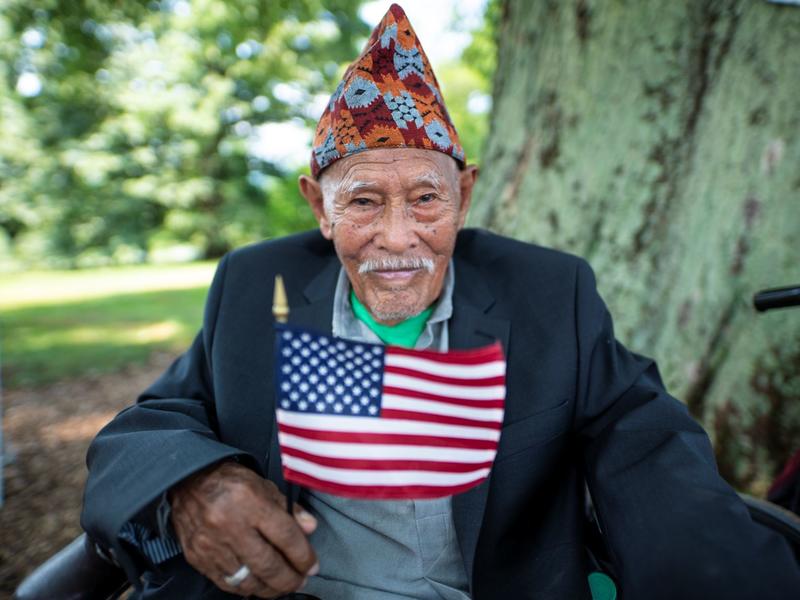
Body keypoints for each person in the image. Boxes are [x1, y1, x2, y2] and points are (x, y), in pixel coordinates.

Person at [81, 4, 800, 599]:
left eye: (427, 198)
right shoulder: (253, 286)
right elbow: (149, 424)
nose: (398, 240)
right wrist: (198, 482)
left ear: (466, 195)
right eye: (363, 201)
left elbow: (650, 452)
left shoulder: (550, 293)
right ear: (318, 208)